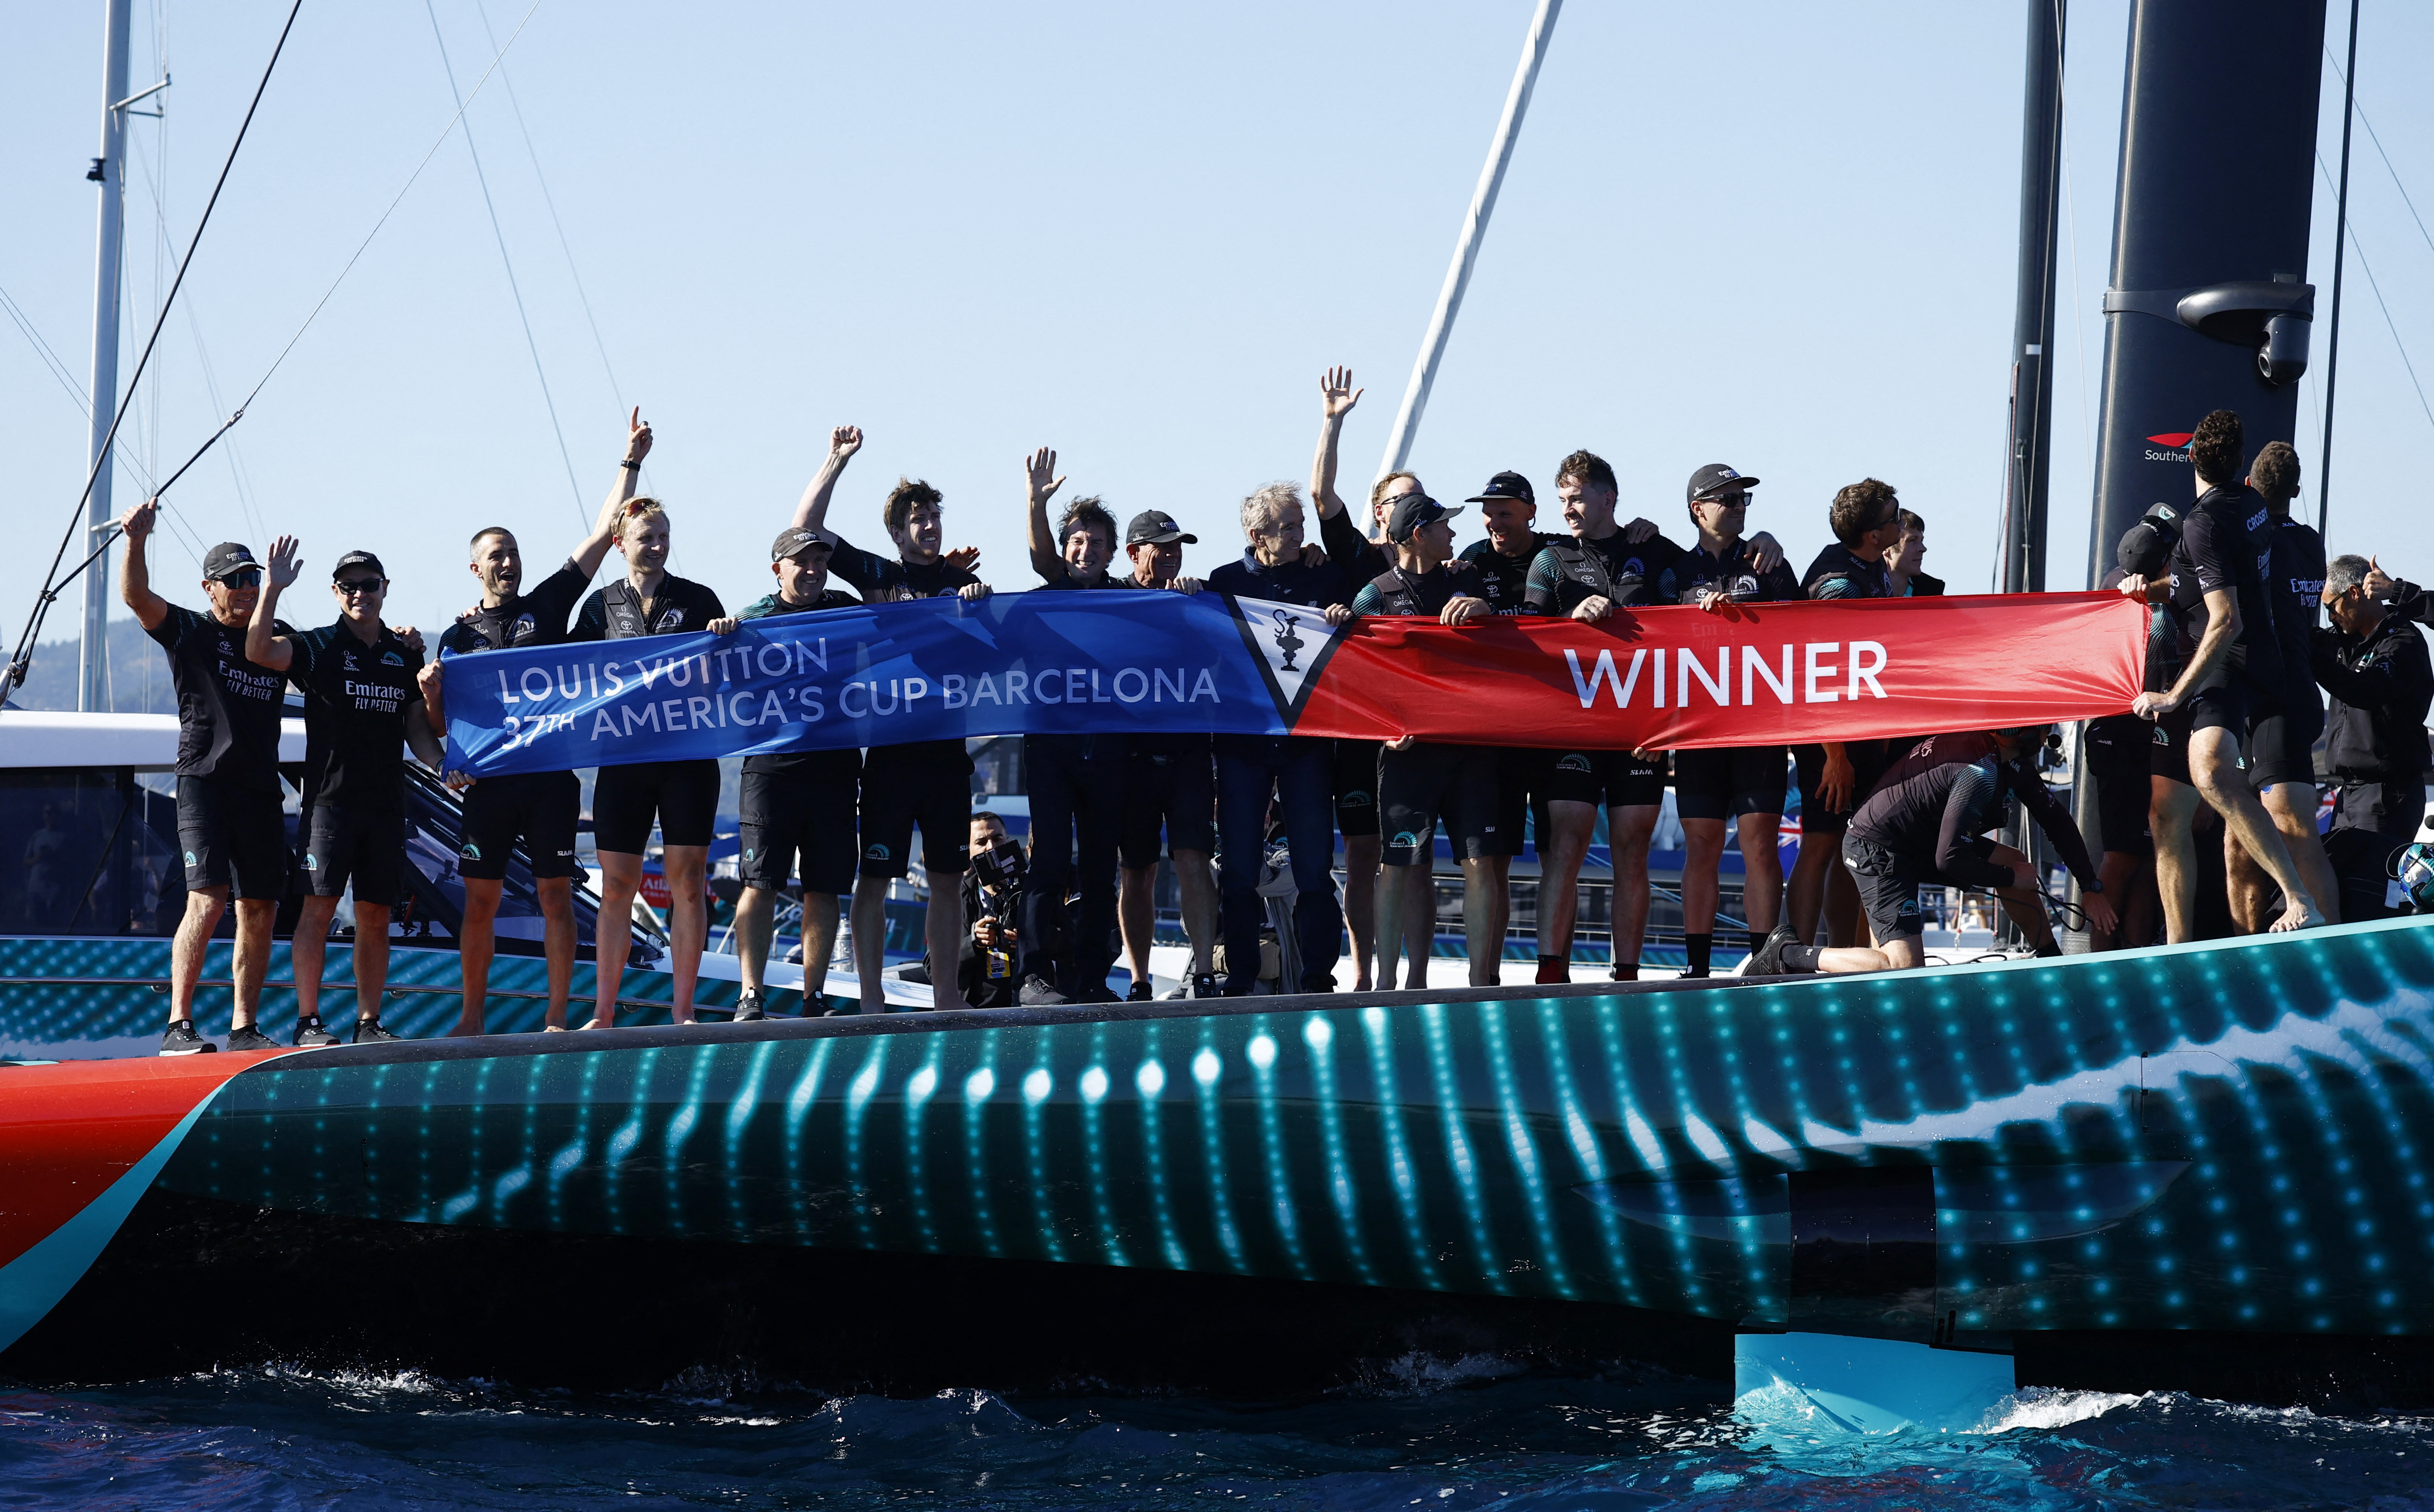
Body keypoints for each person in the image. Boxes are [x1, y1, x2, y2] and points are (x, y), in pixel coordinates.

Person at [422, 411, 648, 1034]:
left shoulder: (546, 605)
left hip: (549, 780)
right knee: (481, 903)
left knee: (555, 898)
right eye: (497, 556)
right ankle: (472, 1018)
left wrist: (629, 461)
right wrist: (431, 694)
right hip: (490, 790)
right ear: (476, 569)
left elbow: (604, 533)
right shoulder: (457, 636)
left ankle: (555, 1019)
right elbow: (442, 727)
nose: (509, 563)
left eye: (515, 553)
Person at [799, 466, 993, 1012]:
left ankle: (947, 996)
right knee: (875, 879)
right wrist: (837, 460)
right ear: (897, 532)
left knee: (949, 881)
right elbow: (806, 527)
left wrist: (978, 603)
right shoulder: (881, 575)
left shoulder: (961, 583)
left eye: (934, 516)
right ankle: (870, 995)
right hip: (889, 758)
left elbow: (1001, 648)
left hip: (947, 758)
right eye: (918, 519)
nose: (929, 525)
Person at [2127, 408, 2323, 937]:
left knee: (2210, 771)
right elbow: (2205, 580)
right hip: (2251, 662)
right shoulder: (2253, 503)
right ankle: (2182, 945)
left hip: (2226, 664)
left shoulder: (2202, 521)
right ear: (2241, 463)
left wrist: (2171, 695)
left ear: (2190, 457)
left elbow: (2225, 618)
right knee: (2178, 806)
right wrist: (2154, 588)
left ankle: (2298, 897)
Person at [243, 540, 443, 1045]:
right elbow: (258, 650)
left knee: (376, 915)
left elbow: (420, 730)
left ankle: (368, 1022)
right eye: (349, 586)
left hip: (385, 806)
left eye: (369, 584)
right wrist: (272, 588)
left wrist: (446, 766)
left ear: (384, 590)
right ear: (336, 593)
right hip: (329, 805)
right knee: (319, 909)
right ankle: (308, 1022)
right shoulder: (317, 645)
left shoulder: (405, 655)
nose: (360, 593)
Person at [117, 506, 289, 1054]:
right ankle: (178, 1024)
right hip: (204, 783)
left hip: (261, 788)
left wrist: (404, 644)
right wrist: (136, 542)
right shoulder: (192, 630)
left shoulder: (275, 638)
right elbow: (137, 599)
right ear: (209, 588)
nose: (245, 588)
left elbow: (339, 653)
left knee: (259, 906)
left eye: (252, 578)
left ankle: (244, 1027)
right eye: (235, 580)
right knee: (208, 900)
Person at [1748, 726, 2117, 976]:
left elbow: (2057, 823)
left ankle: (2050, 964)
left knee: (2013, 860)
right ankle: (1787, 954)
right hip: (1879, 851)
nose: (2044, 730)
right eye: (2037, 726)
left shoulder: (2007, 759)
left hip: (1915, 840)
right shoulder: (1980, 770)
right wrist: (2008, 879)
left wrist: (2090, 887)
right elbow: (1950, 858)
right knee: (1901, 968)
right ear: (2013, 734)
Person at [713, 429, 868, 1020]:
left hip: (834, 769)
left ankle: (812, 996)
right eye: (801, 561)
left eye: (820, 560)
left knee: (823, 889)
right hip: (771, 770)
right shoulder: (752, 617)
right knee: (759, 883)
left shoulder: (845, 609)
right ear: (777, 566)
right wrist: (720, 635)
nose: (813, 569)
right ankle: (751, 995)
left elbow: (910, 622)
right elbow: (711, 665)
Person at [1522, 449, 1681, 983]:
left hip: (1638, 728)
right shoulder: (1550, 558)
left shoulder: (1655, 549)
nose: (1567, 508)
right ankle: (1550, 969)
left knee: (1632, 846)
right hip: (1574, 724)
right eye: (1561, 498)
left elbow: (1688, 630)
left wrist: (1665, 725)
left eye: (1577, 497)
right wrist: (1570, 617)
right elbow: (1525, 637)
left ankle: (1627, 973)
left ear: (1608, 497)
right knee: (1567, 839)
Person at [571, 497, 726, 1028]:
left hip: (686, 759)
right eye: (646, 538)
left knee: (687, 882)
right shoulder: (599, 607)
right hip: (624, 760)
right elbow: (562, 674)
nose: (658, 546)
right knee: (616, 886)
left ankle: (683, 1010)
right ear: (621, 544)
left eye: (663, 536)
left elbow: (726, 673)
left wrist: (724, 642)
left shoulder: (699, 597)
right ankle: (604, 1011)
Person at [1207, 482, 1355, 996]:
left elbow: (1372, 598)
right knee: (1239, 870)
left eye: (1301, 524)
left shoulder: (1325, 575)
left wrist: (1344, 614)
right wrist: (1179, 591)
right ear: (1257, 534)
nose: (1300, 534)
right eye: (1289, 526)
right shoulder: (1220, 583)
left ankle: (1318, 978)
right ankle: (1242, 976)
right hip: (1241, 745)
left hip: (1306, 744)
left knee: (1315, 870)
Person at [1349, 493, 1502, 987]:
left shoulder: (1467, 580)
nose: (1453, 535)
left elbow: (1511, 642)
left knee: (1479, 862)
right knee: (1396, 865)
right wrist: (1382, 729)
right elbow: (1352, 675)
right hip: (1407, 754)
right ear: (1419, 534)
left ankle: (1480, 983)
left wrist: (1485, 608)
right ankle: (1386, 984)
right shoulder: (1374, 595)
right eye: (1444, 526)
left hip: (1471, 749)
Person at [1013, 450, 1130, 1003]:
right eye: (1077, 541)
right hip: (1051, 751)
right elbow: (1038, 558)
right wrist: (1036, 501)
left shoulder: (1135, 603)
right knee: (1051, 862)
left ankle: (1091, 976)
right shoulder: (1042, 598)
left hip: (1109, 755)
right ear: (1065, 549)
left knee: (1102, 871)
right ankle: (1034, 975)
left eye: (1097, 542)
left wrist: (1187, 592)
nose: (1086, 550)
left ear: (1112, 552)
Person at [1677, 463, 1801, 977]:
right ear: (1697, 509)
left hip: (1758, 726)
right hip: (1699, 730)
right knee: (1702, 845)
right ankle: (1698, 967)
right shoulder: (1672, 568)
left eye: (1743, 499)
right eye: (1726, 499)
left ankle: (1764, 961)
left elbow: (1804, 634)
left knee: (1759, 843)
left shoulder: (1769, 562)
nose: (1738, 507)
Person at [2224, 441, 2339, 931]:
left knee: (2293, 829)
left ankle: (2331, 943)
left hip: (2282, 702)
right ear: (2295, 490)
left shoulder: (2260, 539)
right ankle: (2246, 949)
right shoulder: (2311, 541)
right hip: (2255, 702)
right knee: (2238, 842)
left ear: (2249, 486)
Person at [1788, 479, 1906, 952]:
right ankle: (1791, 953)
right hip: (1829, 736)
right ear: (1873, 534)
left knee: (1852, 848)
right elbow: (1817, 674)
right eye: (1895, 517)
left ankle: (1845, 951)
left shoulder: (1873, 565)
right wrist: (1834, 755)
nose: (1902, 522)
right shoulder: (1834, 582)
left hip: (1864, 734)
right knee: (1818, 844)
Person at [1114, 509, 1220, 1001]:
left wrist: (1199, 605)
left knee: (1194, 859)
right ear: (1134, 553)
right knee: (1137, 870)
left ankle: (1202, 971)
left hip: (1189, 753)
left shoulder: (1194, 602)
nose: (1174, 554)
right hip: (1132, 758)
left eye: (1178, 545)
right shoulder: (1109, 599)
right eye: (1163, 545)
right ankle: (1139, 979)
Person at [1456, 470, 1556, 974]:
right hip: (1492, 734)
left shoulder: (1558, 554)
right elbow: (1403, 570)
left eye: (1505, 512)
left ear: (1531, 512)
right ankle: (1487, 976)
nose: (1494, 522)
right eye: (1489, 512)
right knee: (1491, 862)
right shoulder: (1470, 560)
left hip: (1551, 729)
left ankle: (1551, 969)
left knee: (1555, 856)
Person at [2313, 555, 2434, 920]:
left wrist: (2315, 663)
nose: (2330, 618)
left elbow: (2367, 690)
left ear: (2353, 593)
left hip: (2385, 794)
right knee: (2337, 889)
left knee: (2370, 899)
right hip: (2346, 794)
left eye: (2331, 608)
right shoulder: (2343, 640)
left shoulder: (2402, 641)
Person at [959, 811, 1028, 1008]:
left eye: (997, 839)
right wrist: (974, 942)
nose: (991, 847)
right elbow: (932, 965)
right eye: (981, 842)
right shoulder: (955, 898)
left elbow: (1069, 947)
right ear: (969, 851)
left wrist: (1033, 938)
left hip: (1030, 1010)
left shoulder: (1035, 890)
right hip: (975, 1012)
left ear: (1008, 841)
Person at [1888, 508, 1945, 597]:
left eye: (1921, 541)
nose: (1923, 549)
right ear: (1886, 547)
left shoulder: (1933, 596)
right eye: (1912, 540)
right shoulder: (1861, 589)